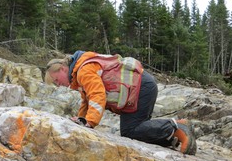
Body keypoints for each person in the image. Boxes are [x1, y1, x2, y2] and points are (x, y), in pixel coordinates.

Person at [45, 51, 197, 155]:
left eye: (57, 80)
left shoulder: (83, 70)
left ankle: (177, 128)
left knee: (130, 131)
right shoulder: (80, 70)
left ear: (64, 69)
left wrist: (90, 123)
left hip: (140, 88)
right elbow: (87, 99)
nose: (59, 85)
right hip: (140, 87)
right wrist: (81, 119)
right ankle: (174, 137)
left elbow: (97, 95)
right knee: (136, 130)